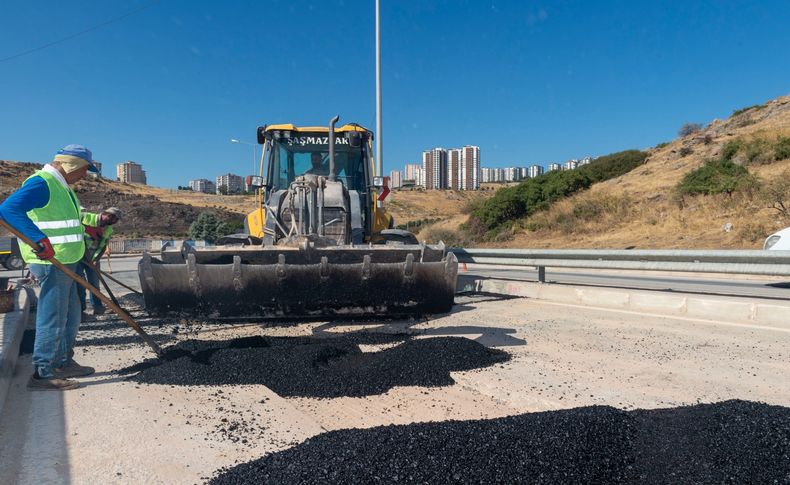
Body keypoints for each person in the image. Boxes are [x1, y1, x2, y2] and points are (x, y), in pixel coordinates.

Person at [0, 144, 99, 391]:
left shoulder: (62, 187)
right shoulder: (42, 182)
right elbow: (8, 210)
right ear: (71, 165)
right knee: (53, 317)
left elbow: (69, 224)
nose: (84, 175)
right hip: (51, 262)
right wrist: (38, 239)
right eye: (84, 169)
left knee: (72, 315)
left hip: (69, 260)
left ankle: (63, 362)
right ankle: (42, 373)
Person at [75, 207, 121, 317]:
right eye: (115, 220)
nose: (115, 223)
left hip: (93, 259)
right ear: (109, 216)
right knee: (80, 284)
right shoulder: (84, 217)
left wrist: (96, 260)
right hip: (78, 258)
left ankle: (98, 308)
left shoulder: (108, 229)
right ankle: (81, 310)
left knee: (94, 284)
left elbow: (103, 246)